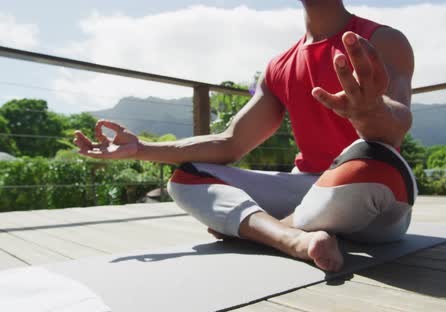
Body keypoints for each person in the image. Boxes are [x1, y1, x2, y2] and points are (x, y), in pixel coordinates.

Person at [74, 0, 416, 272]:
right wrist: (140, 149)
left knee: (368, 162)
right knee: (186, 176)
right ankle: (290, 239)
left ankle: (264, 230)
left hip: (370, 196)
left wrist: (372, 113)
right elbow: (231, 143)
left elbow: (398, 122)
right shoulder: (279, 67)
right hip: (308, 190)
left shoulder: (384, 40)